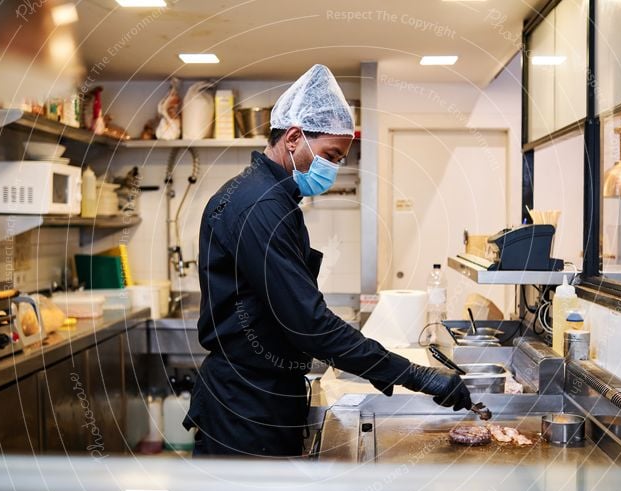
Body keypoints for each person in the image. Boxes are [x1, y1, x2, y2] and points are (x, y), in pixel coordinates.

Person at [183, 64, 472, 457]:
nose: (333, 169)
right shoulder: (262, 206)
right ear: (294, 137)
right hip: (246, 410)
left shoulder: (257, 194)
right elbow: (309, 324)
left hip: (252, 397)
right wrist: (413, 375)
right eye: (330, 155)